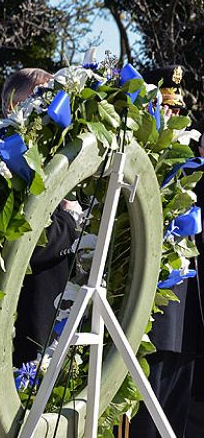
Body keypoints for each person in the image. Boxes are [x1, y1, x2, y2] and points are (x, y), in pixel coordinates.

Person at [129, 65, 204, 438]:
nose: (172, 116)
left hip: (190, 318)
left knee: (176, 423)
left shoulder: (193, 165)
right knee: (147, 425)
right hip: (152, 320)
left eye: (176, 110)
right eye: (164, 107)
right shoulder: (134, 162)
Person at [1, 68, 79, 367]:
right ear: (12, 106)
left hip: (67, 311)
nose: (47, 109)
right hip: (29, 316)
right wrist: (71, 222)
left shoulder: (63, 153)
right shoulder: (6, 157)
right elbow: (27, 236)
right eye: (37, 100)